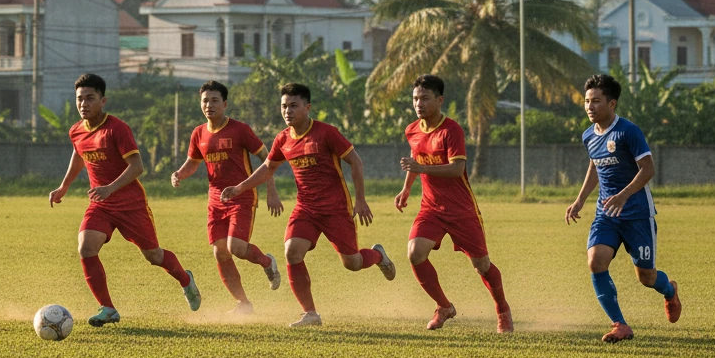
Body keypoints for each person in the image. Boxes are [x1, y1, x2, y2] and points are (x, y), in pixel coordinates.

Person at [221, 82, 396, 327]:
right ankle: (310, 313)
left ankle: (378, 256)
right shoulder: (282, 139)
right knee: (292, 251)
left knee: (352, 263)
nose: (287, 111)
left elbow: (355, 162)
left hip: (335, 209)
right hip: (305, 209)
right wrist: (240, 187)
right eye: (284, 106)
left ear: (307, 107)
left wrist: (361, 200)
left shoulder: (326, 133)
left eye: (293, 105)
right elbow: (268, 168)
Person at [49, 73, 201, 327]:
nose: (83, 104)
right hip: (101, 204)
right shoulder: (76, 130)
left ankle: (185, 280)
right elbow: (79, 156)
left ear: (103, 100)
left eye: (90, 98)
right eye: (79, 99)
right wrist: (64, 187)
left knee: (153, 255)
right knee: (86, 247)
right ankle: (108, 308)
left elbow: (137, 166)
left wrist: (110, 187)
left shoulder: (116, 129)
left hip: (131, 205)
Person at [566, 72, 680, 343]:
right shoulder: (588, 136)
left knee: (647, 277)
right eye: (586, 101)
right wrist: (580, 199)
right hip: (607, 214)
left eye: (595, 101)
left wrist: (624, 195)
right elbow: (594, 165)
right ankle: (620, 325)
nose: (589, 107)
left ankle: (670, 290)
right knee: (595, 261)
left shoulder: (628, 131)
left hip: (637, 214)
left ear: (612, 104)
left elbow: (648, 169)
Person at [396, 74, 512, 333]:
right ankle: (444, 307)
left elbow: (457, 169)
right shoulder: (412, 130)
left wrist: (419, 167)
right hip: (431, 208)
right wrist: (406, 189)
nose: (419, 103)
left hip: (462, 210)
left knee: (481, 265)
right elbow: (417, 159)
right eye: (415, 98)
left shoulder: (451, 130)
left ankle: (502, 310)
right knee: (415, 253)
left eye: (425, 98)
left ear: (439, 100)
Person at [171, 80, 283, 313]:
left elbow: (267, 159)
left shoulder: (240, 130)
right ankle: (243, 303)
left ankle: (267, 262)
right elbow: (193, 162)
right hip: (215, 201)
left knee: (236, 247)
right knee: (219, 251)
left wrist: (271, 191)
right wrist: (179, 174)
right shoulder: (198, 133)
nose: (209, 105)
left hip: (242, 197)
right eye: (205, 101)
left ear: (225, 104)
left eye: (214, 101)